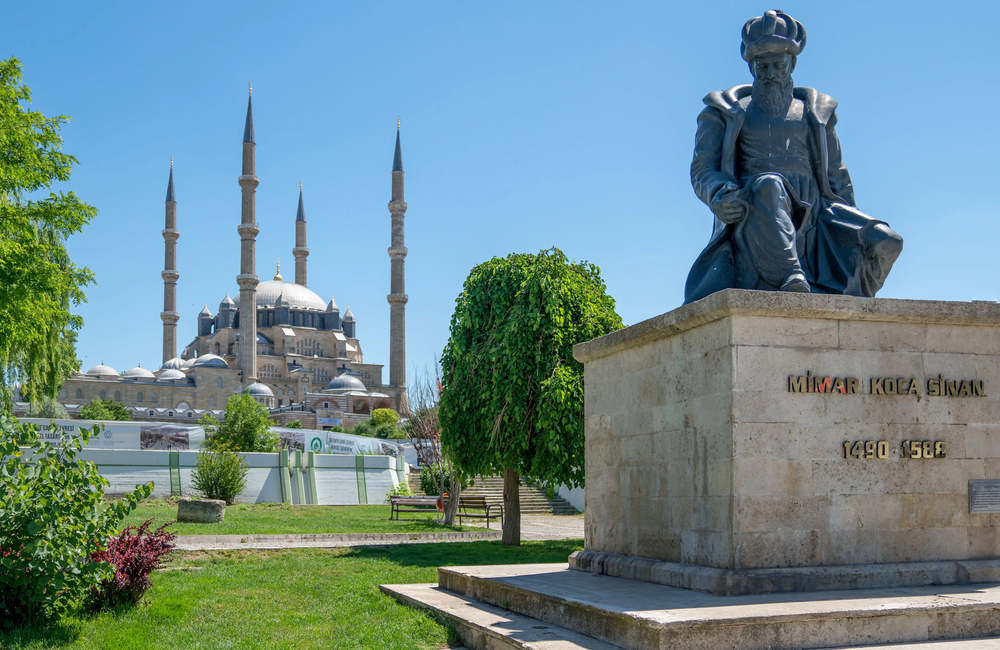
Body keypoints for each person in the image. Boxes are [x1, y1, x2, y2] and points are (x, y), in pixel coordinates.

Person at [685, 10, 902, 304]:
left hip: (818, 210)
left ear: (793, 63)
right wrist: (719, 195)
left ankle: (854, 302)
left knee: (887, 241)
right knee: (769, 185)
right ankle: (790, 277)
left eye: (778, 64)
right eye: (762, 66)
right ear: (751, 68)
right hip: (758, 205)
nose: (770, 74)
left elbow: (836, 173)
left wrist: (851, 226)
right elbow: (703, 169)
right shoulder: (724, 110)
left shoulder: (817, 112)